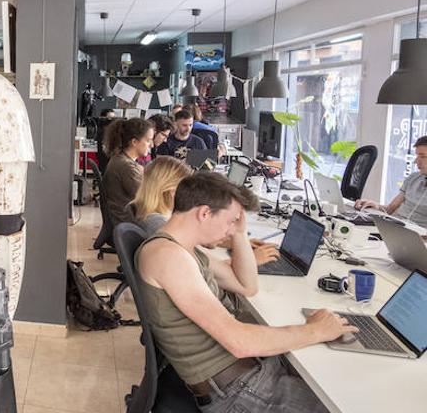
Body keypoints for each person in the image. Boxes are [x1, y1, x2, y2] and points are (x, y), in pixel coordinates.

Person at [135, 172, 356, 412]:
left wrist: (240, 233)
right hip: (238, 390)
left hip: (249, 374)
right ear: (205, 213)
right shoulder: (169, 257)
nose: (230, 231)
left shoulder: (184, 248)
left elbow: (246, 286)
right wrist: (314, 330)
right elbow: (240, 342)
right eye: (231, 221)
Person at [132, 156, 280, 266]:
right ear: (172, 192)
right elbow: (204, 268)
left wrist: (232, 243)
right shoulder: (159, 226)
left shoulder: (151, 215)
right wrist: (253, 259)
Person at [355, 135, 427, 228]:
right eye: (417, 156)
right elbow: (390, 209)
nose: (416, 161)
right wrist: (376, 206)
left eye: (423, 156)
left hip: (419, 236)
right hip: (394, 227)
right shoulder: (413, 178)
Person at [102, 117, 153, 228]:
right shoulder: (127, 167)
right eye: (148, 140)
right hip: (129, 223)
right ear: (134, 142)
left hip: (125, 219)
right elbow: (146, 200)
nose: (151, 145)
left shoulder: (120, 159)